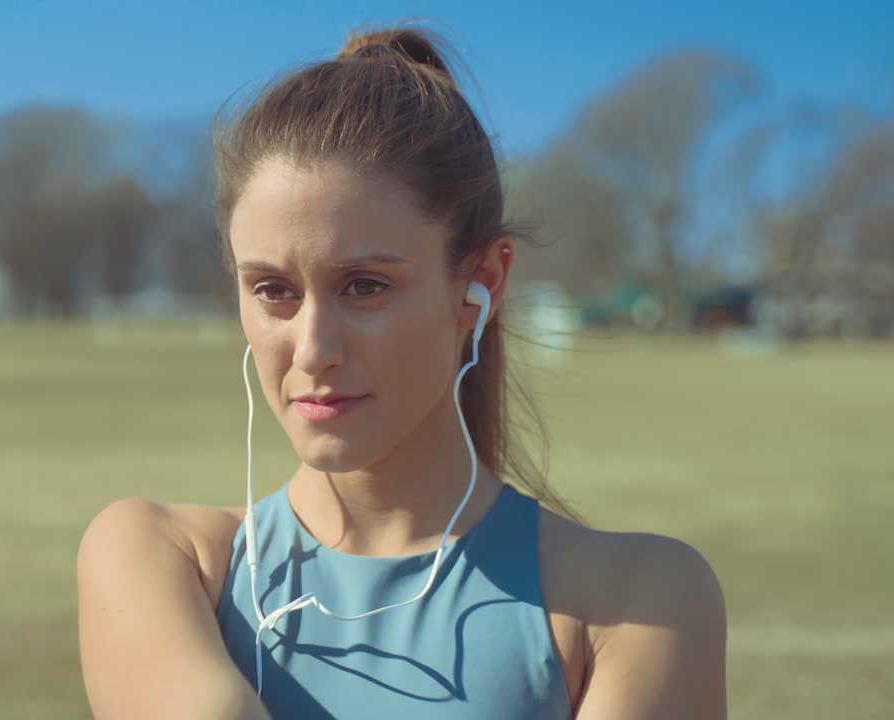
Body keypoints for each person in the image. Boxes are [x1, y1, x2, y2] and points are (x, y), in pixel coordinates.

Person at [77, 23, 726, 719]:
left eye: (364, 286)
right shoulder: (160, 558)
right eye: (273, 291)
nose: (311, 348)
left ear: (481, 282)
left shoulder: (640, 601)